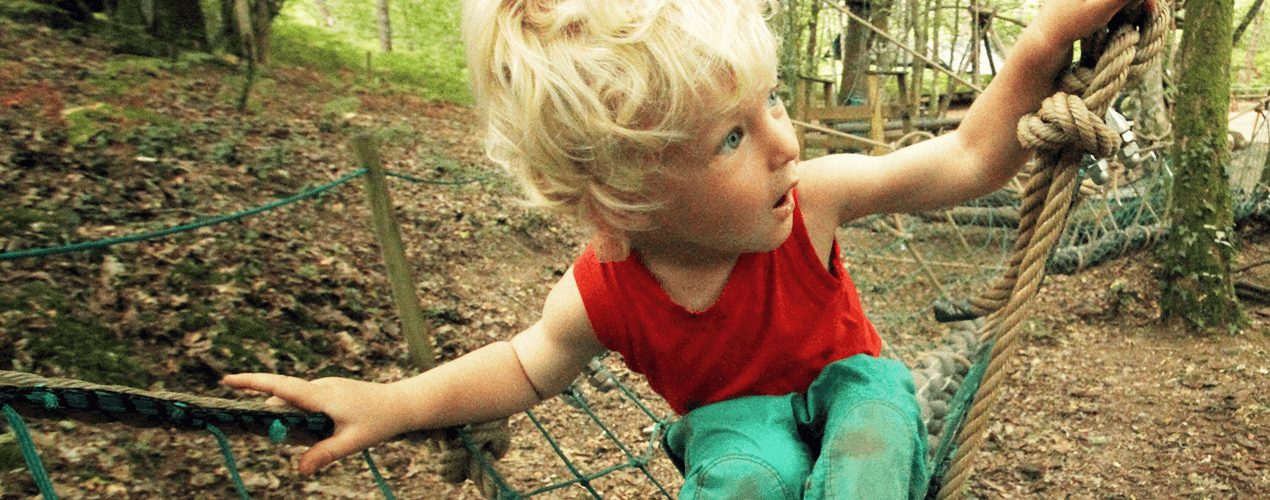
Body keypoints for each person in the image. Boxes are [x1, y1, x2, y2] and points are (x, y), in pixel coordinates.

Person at [221, 0, 1131, 498]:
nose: (784, 142)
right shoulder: (605, 293)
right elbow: (523, 366)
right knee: (741, 475)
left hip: (854, 386)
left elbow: (969, 157)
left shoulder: (807, 205)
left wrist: (1043, 40)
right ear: (623, 202)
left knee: (871, 435)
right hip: (734, 424)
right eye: (731, 137)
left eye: (769, 102)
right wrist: (392, 402)